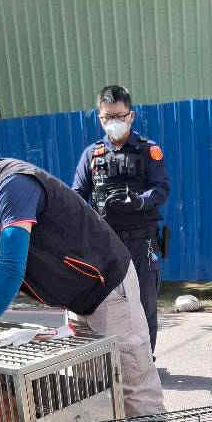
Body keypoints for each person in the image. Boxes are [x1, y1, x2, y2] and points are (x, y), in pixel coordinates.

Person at [0, 143, 164, 419]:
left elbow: (12, 266)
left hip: (108, 287)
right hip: (76, 299)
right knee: (96, 391)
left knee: (133, 385)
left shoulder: (13, 184)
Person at [72, 85, 170, 356]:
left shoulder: (149, 150)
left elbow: (161, 189)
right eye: (107, 118)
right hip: (105, 244)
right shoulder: (92, 155)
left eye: (118, 116)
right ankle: (114, 364)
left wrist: (139, 200)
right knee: (105, 305)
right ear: (100, 118)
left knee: (145, 304)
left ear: (131, 116)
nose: (112, 123)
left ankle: (146, 360)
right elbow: (77, 196)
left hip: (141, 240)